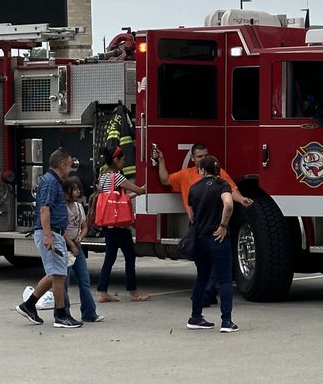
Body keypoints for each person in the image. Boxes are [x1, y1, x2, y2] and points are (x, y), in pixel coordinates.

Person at [154, 142, 253, 306]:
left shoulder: (219, 174)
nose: (203, 159)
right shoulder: (185, 175)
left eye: (205, 156)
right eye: (199, 156)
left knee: (212, 262)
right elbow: (165, 180)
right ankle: (208, 296)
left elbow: (232, 190)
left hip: (214, 224)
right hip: (198, 225)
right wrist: (162, 160)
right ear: (192, 159)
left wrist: (242, 199)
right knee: (205, 263)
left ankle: (205, 296)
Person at [15, 147, 83, 329]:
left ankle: (28, 305)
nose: (70, 170)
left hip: (54, 232)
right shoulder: (50, 183)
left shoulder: (53, 181)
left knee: (55, 274)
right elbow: (45, 209)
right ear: (61, 165)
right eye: (69, 165)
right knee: (59, 275)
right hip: (51, 232)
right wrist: (48, 236)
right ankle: (61, 315)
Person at [186, 154, 237, 332]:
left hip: (200, 239)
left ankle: (195, 317)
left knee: (202, 277)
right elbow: (228, 204)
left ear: (202, 170)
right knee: (224, 279)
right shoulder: (222, 185)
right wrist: (223, 225)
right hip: (218, 237)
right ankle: (226, 321)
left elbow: (192, 215)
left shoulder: (194, 188)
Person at [93, 146, 151, 302]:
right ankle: (133, 292)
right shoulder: (117, 177)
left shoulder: (103, 177)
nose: (124, 162)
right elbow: (137, 190)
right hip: (120, 226)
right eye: (122, 159)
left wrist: (135, 193)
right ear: (116, 160)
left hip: (108, 224)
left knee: (109, 258)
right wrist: (143, 189)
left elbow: (117, 199)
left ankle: (102, 292)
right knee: (130, 257)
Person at [62, 175, 102, 323]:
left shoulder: (79, 207)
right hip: (65, 246)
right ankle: (63, 312)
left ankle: (89, 313)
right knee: (63, 283)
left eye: (78, 189)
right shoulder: (61, 207)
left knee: (84, 281)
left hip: (76, 246)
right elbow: (61, 230)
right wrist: (72, 245)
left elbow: (85, 226)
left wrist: (81, 237)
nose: (77, 192)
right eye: (74, 189)